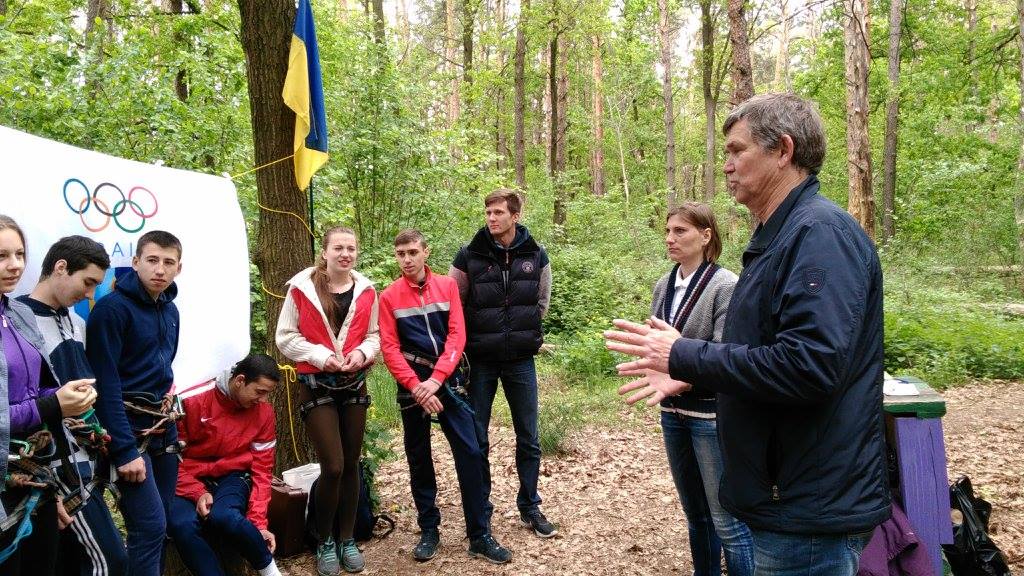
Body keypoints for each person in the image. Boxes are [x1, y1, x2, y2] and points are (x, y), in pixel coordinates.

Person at [606, 93, 890, 575]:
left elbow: (810, 366)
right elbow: (764, 355)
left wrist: (686, 356)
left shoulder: (819, 235)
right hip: (783, 495)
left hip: (805, 507)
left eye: (737, 151)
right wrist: (696, 374)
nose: (727, 165)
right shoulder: (779, 237)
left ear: (783, 150)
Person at [379, 229, 511, 565]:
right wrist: (415, 387)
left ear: (426, 251)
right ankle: (429, 529)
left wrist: (436, 381)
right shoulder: (390, 296)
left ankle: (479, 534)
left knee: (470, 450)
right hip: (413, 383)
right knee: (418, 455)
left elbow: (457, 335)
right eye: (401, 254)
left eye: (412, 252)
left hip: (448, 380)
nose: (407, 259)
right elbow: (390, 349)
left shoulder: (447, 286)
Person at [645, 203, 753, 576]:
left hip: (709, 415)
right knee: (696, 515)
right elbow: (656, 346)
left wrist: (684, 372)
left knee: (728, 521)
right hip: (673, 414)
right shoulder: (664, 284)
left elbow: (727, 352)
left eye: (680, 231)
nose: (670, 238)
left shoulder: (727, 285)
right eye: (668, 231)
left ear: (706, 236)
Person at [16, 235, 129, 576]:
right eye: (89, 282)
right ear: (61, 268)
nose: (91, 294)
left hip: (84, 462)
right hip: (48, 464)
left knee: (69, 562)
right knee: (109, 561)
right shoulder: (17, 322)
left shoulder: (76, 322)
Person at [448, 189, 555, 538]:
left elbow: (541, 303)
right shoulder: (469, 255)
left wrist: (523, 335)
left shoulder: (536, 254)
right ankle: (482, 509)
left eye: (498, 212)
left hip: (521, 360)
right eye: (488, 212)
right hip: (480, 361)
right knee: (477, 438)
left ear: (515, 215)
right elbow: (455, 304)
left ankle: (530, 506)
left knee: (529, 437)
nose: (491, 218)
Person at [276, 226, 379, 575]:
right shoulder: (302, 289)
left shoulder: (366, 290)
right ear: (325, 252)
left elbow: (375, 336)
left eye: (351, 248)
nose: (345, 254)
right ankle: (323, 540)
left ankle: (347, 539)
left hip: (353, 384)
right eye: (338, 248)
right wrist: (321, 356)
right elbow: (285, 338)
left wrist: (362, 353)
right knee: (332, 465)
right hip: (316, 384)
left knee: (351, 464)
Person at [0, 216, 98, 575]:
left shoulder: (15, 314)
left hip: (34, 475)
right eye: (2, 256)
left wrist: (62, 394)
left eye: (20, 254)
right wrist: (52, 403)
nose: (15, 266)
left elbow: (35, 386)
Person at [86, 230, 184, 576]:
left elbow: (162, 366)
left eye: (168, 262)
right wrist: (125, 450)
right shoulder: (112, 311)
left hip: (162, 430)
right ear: (135, 262)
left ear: (178, 268)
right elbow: (106, 384)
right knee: (149, 526)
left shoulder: (170, 311)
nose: (160, 269)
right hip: (128, 431)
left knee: (163, 526)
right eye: (152, 260)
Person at [167, 353, 284, 576]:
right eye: (260, 392)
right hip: (187, 477)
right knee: (181, 526)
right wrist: (196, 492)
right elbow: (170, 458)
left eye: (268, 394)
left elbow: (262, 469)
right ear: (240, 380)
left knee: (225, 516)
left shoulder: (264, 413)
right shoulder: (192, 400)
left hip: (233, 476)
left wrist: (259, 522)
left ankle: (270, 571)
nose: (263, 400)